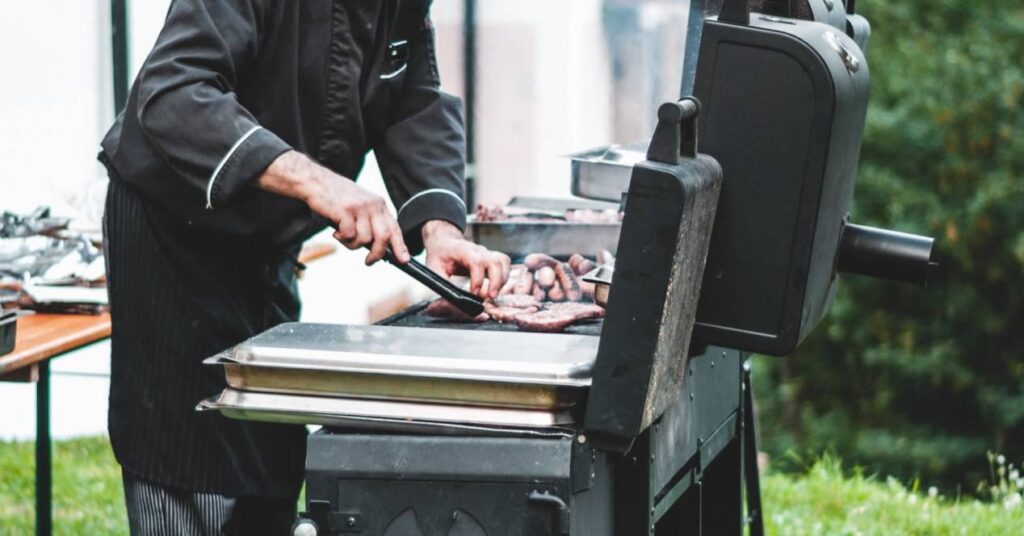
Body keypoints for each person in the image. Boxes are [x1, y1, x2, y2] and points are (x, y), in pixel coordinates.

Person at [98, 1, 510, 533]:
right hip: (175, 230)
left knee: (269, 444)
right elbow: (174, 92)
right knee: (190, 461)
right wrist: (318, 183)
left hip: (268, 239)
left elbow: (412, 99)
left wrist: (439, 227)